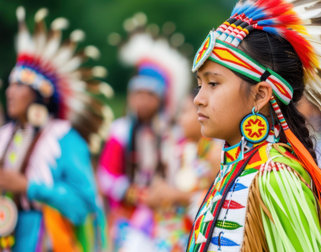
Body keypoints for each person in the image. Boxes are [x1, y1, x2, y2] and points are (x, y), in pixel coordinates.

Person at [187, 0, 321, 251]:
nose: (198, 99)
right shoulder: (235, 169)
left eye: (213, 84)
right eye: (200, 84)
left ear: (260, 95)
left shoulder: (275, 177)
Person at [0, 7, 111, 252]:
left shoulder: (65, 139)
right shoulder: (5, 135)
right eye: (10, 85)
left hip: (48, 241)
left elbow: (83, 206)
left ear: (40, 95)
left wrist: (28, 187)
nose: (10, 92)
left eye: (19, 85)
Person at [96, 13, 191, 251]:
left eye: (149, 95)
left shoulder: (176, 134)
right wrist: (135, 194)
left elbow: (187, 171)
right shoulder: (120, 131)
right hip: (129, 218)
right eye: (137, 94)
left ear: (161, 99)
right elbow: (105, 176)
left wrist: (171, 193)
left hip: (171, 219)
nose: (142, 101)